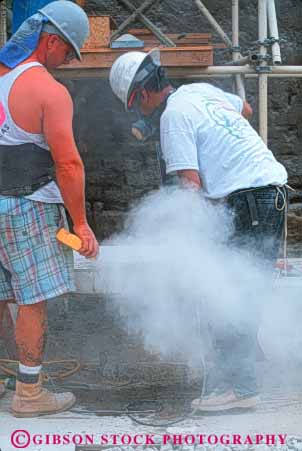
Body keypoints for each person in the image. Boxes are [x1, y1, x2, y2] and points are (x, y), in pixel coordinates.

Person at [109, 49, 288, 412]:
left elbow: (190, 191)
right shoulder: (199, 92)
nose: (140, 116)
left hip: (250, 200)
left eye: (136, 107)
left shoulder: (172, 118)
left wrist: (183, 248)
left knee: (228, 292)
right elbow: (245, 110)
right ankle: (237, 378)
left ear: (142, 96)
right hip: (269, 193)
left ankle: (240, 387)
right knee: (240, 288)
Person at [0, 1, 99, 417]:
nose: (68, 61)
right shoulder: (48, 91)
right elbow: (68, 163)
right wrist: (80, 223)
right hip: (28, 207)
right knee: (32, 300)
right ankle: (29, 393)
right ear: (51, 40)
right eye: (69, 52)